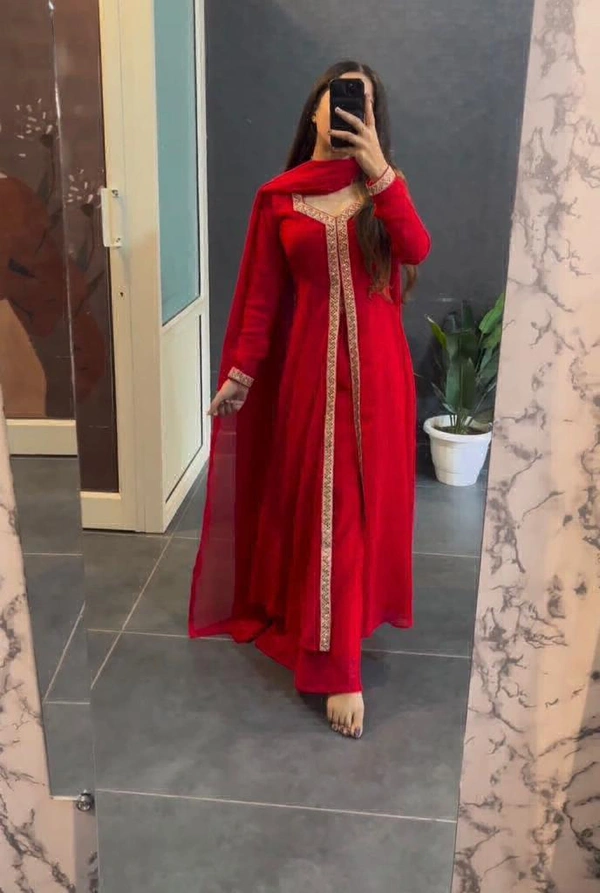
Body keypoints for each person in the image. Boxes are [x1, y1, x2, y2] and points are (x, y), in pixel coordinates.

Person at [189, 61, 431, 740]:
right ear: (316, 109)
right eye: (338, 95)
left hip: (379, 379)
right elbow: (262, 296)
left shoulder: (383, 188)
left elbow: (416, 247)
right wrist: (240, 375)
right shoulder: (280, 197)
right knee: (324, 508)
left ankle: (339, 663)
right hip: (309, 378)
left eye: (363, 101)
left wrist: (379, 170)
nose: (347, 107)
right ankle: (332, 646)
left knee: (353, 507)